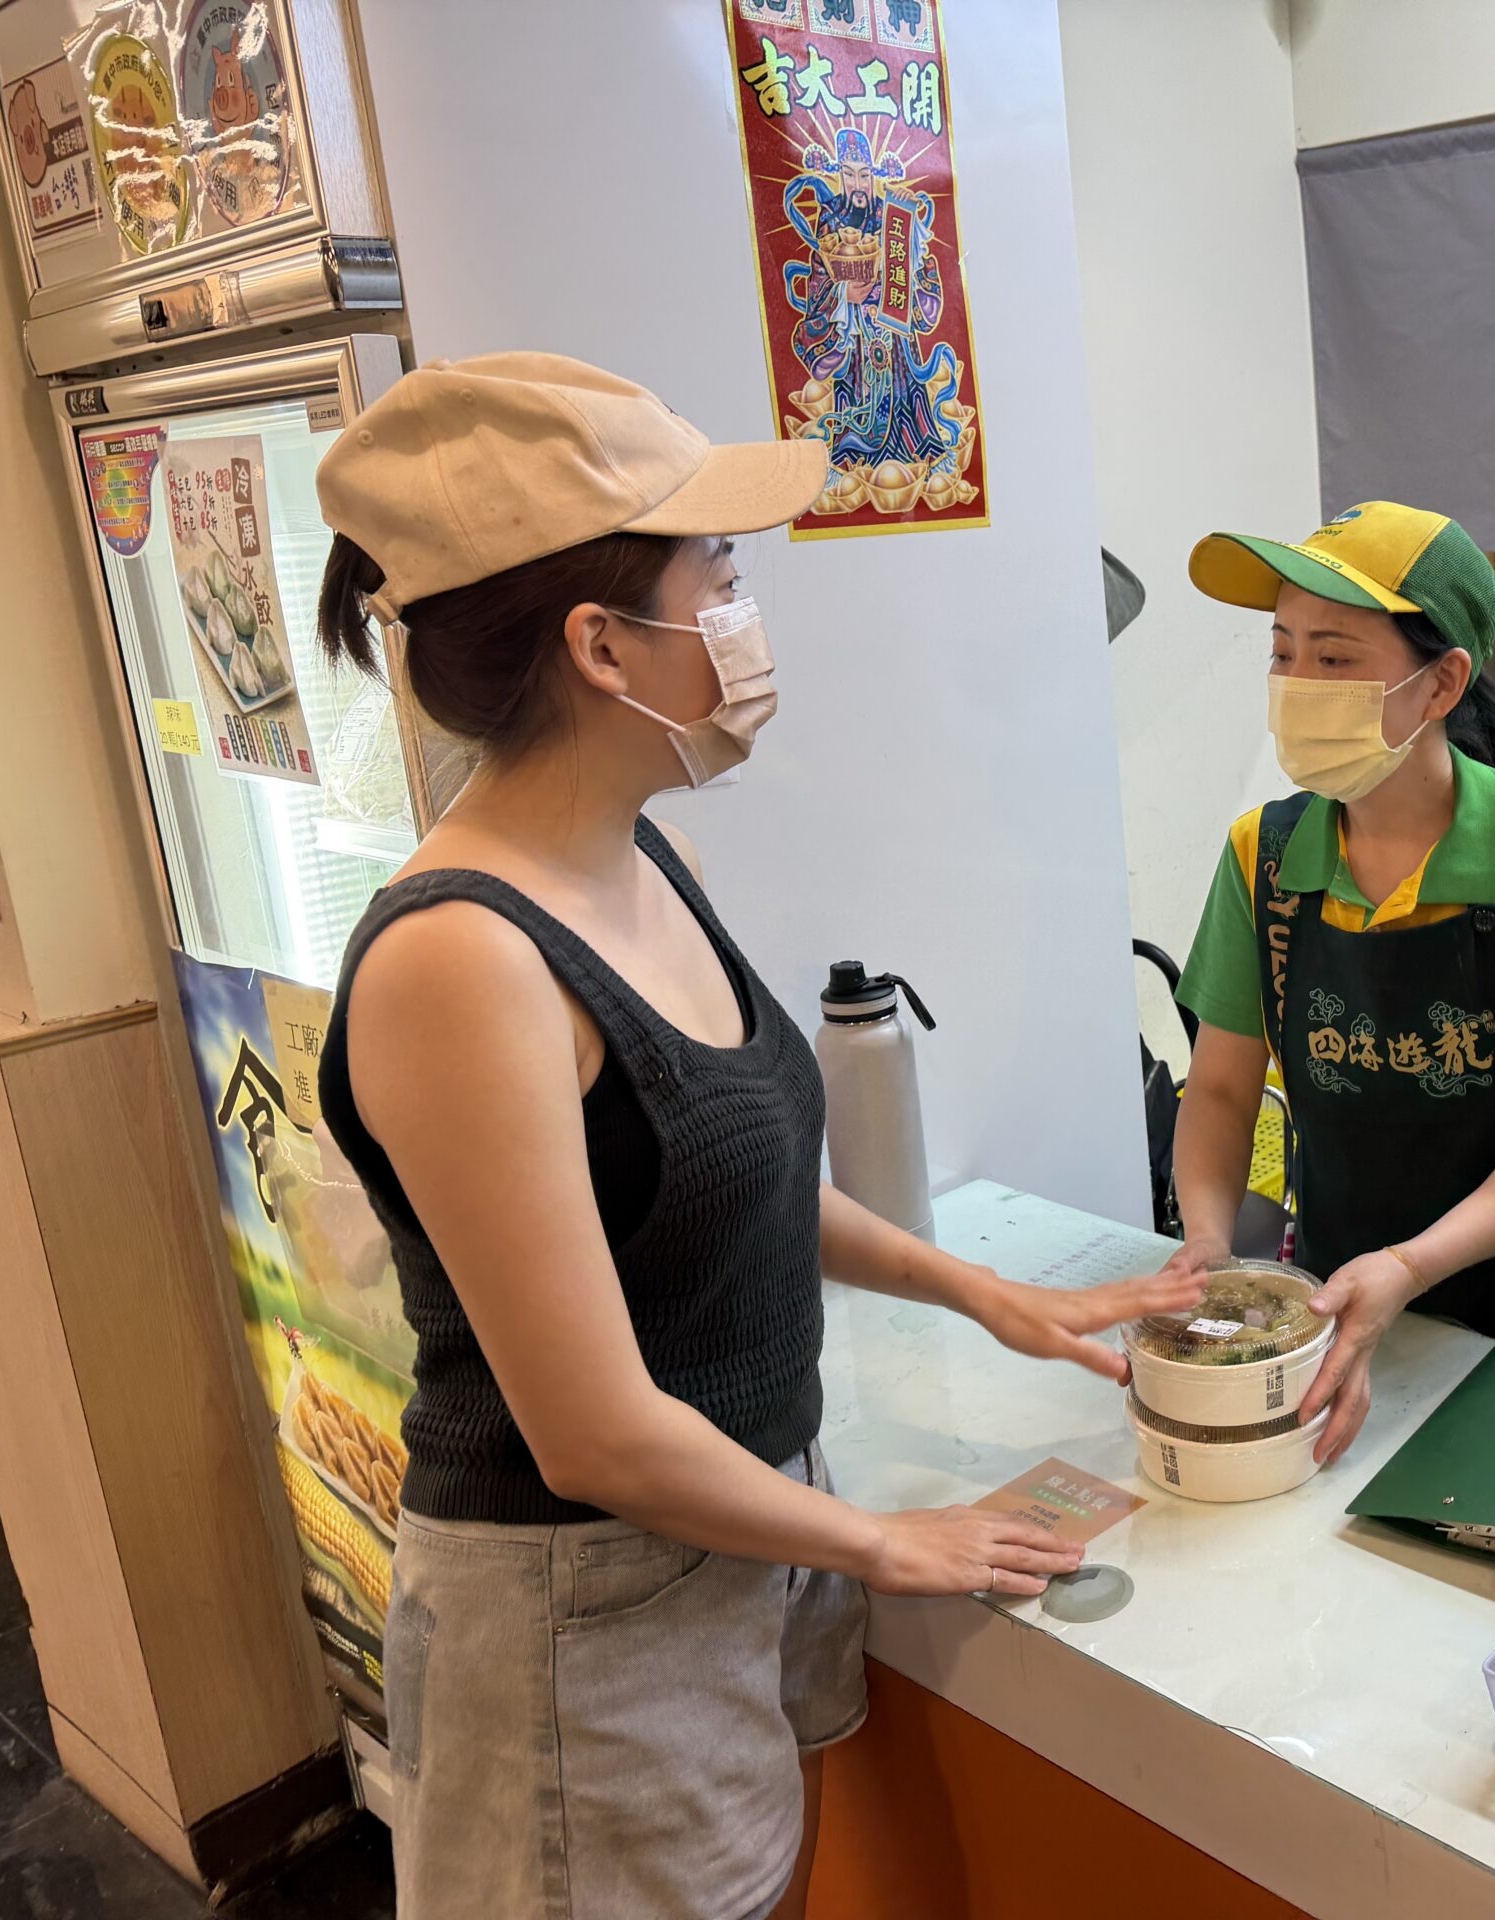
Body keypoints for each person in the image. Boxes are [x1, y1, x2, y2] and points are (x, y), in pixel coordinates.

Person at [310, 353, 1196, 1919]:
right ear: (600, 643)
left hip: (741, 1536)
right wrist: (882, 1539)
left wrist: (988, 1291)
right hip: (583, 1618)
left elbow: (739, 1176)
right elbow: (589, 1431)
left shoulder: (654, 853)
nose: (744, 608)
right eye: (715, 570)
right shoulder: (461, 961)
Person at [1161, 503, 1495, 1468]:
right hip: (1350, 1299)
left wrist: (1410, 1267)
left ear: (1441, 684)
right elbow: (1219, 1088)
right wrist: (1210, 1251)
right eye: (1283, 650)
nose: (1298, 683)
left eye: (1337, 658)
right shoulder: (1262, 856)